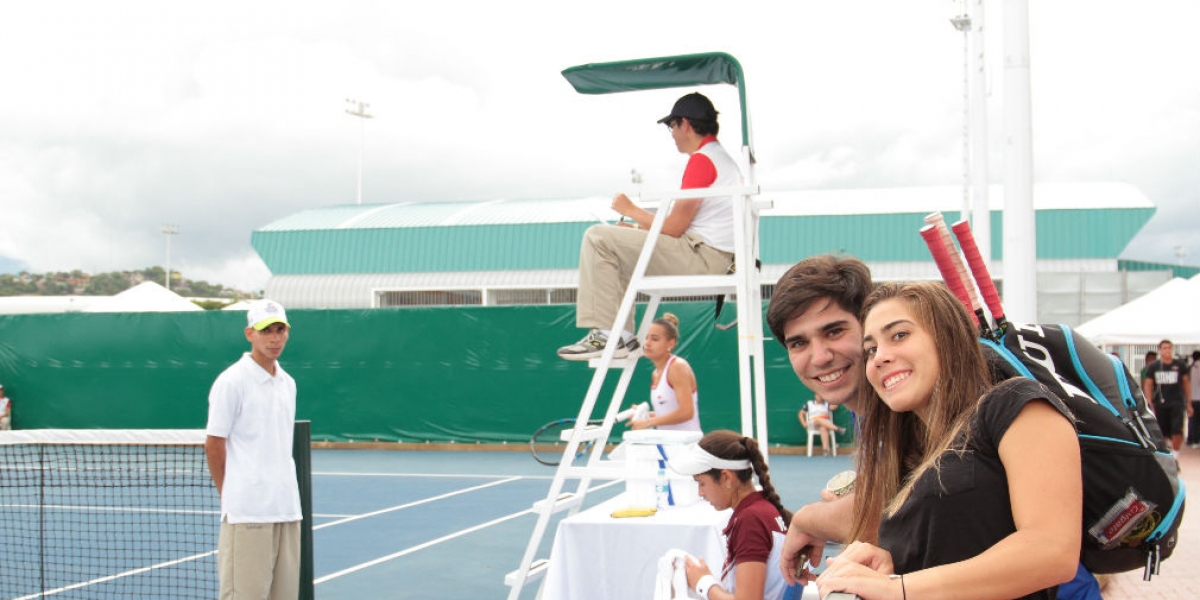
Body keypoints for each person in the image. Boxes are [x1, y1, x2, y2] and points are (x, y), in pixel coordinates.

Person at [769, 255, 1102, 600]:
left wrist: (895, 584)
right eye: (872, 348)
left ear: (945, 336)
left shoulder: (1009, 403)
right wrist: (891, 558)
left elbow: (1049, 551)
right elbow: (937, 531)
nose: (821, 356)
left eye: (899, 335)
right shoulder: (904, 428)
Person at [557, 92, 741, 361]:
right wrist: (635, 228)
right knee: (616, 244)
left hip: (703, 257)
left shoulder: (703, 160)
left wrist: (630, 210)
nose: (672, 133)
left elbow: (675, 228)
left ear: (685, 124)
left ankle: (608, 335)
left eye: (672, 126)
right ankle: (621, 335)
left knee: (597, 237)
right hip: (714, 255)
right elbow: (682, 226)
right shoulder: (721, 159)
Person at [205, 299, 302, 600]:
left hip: (286, 511)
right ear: (250, 334)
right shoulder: (232, 381)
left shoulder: (288, 383)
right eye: (266, 331)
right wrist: (232, 493)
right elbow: (214, 442)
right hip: (248, 514)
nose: (274, 338)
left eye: (280, 330)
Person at [670, 430, 793, 600]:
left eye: (702, 483)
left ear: (727, 478)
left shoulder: (751, 521)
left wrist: (704, 584)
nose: (700, 493)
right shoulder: (762, 509)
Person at [628, 313, 701, 431]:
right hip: (667, 443)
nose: (647, 343)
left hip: (686, 445)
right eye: (646, 337)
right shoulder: (655, 373)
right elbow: (668, 413)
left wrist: (647, 422)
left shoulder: (677, 367)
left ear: (670, 344)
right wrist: (645, 416)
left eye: (655, 339)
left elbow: (687, 412)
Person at [1142, 339, 1193, 455]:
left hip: (1177, 402)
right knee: (1162, 431)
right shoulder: (1154, 366)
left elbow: (1186, 384)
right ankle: (1165, 454)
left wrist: (1189, 403)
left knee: (1177, 430)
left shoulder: (1179, 365)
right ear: (1160, 351)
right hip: (1160, 403)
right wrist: (1149, 403)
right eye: (1164, 348)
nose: (1167, 350)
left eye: (1169, 348)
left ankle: (1175, 456)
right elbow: (1148, 385)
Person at [1190, 350, 1200, 448]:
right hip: (1198, 397)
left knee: (1193, 420)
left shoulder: (1192, 366)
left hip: (1192, 397)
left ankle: (1192, 439)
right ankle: (1196, 440)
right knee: (1197, 420)